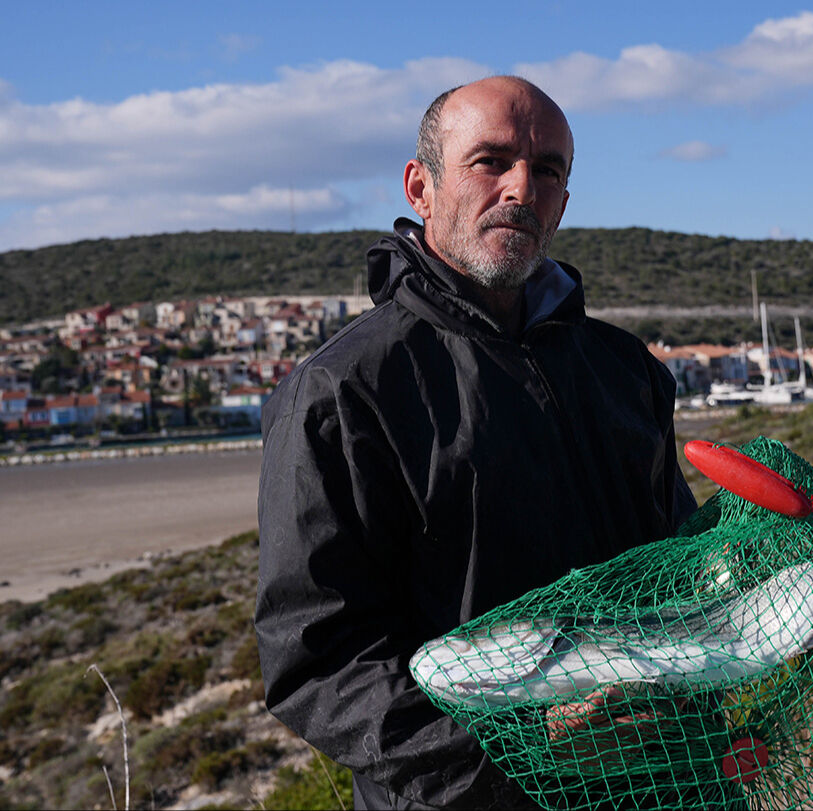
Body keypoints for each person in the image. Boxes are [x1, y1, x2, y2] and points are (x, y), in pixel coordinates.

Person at [254, 75, 697, 810]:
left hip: (657, 786)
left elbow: (677, 563)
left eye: (547, 170)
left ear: (562, 203)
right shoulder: (343, 391)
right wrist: (528, 753)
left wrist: (807, 570)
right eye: (491, 161)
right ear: (420, 187)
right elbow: (318, 658)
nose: (521, 188)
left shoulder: (625, 370)